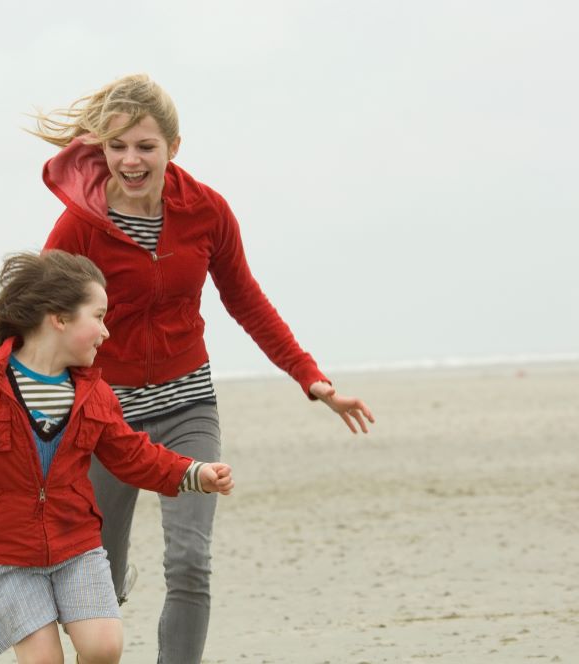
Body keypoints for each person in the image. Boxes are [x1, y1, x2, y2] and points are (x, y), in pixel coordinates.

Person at [29, 74, 375, 663]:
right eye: (117, 147)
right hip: (108, 419)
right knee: (98, 576)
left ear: (174, 146)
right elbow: (38, 316)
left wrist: (311, 378)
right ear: (102, 149)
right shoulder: (81, 225)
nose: (131, 160)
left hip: (188, 408)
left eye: (145, 146)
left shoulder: (207, 212)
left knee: (190, 560)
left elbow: (246, 300)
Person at [0, 250, 235, 664]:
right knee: (44, 661)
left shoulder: (95, 394)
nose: (107, 331)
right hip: (7, 556)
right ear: (60, 318)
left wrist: (194, 473)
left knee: (104, 648)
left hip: (76, 546)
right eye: (99, 316)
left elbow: (131, 454)